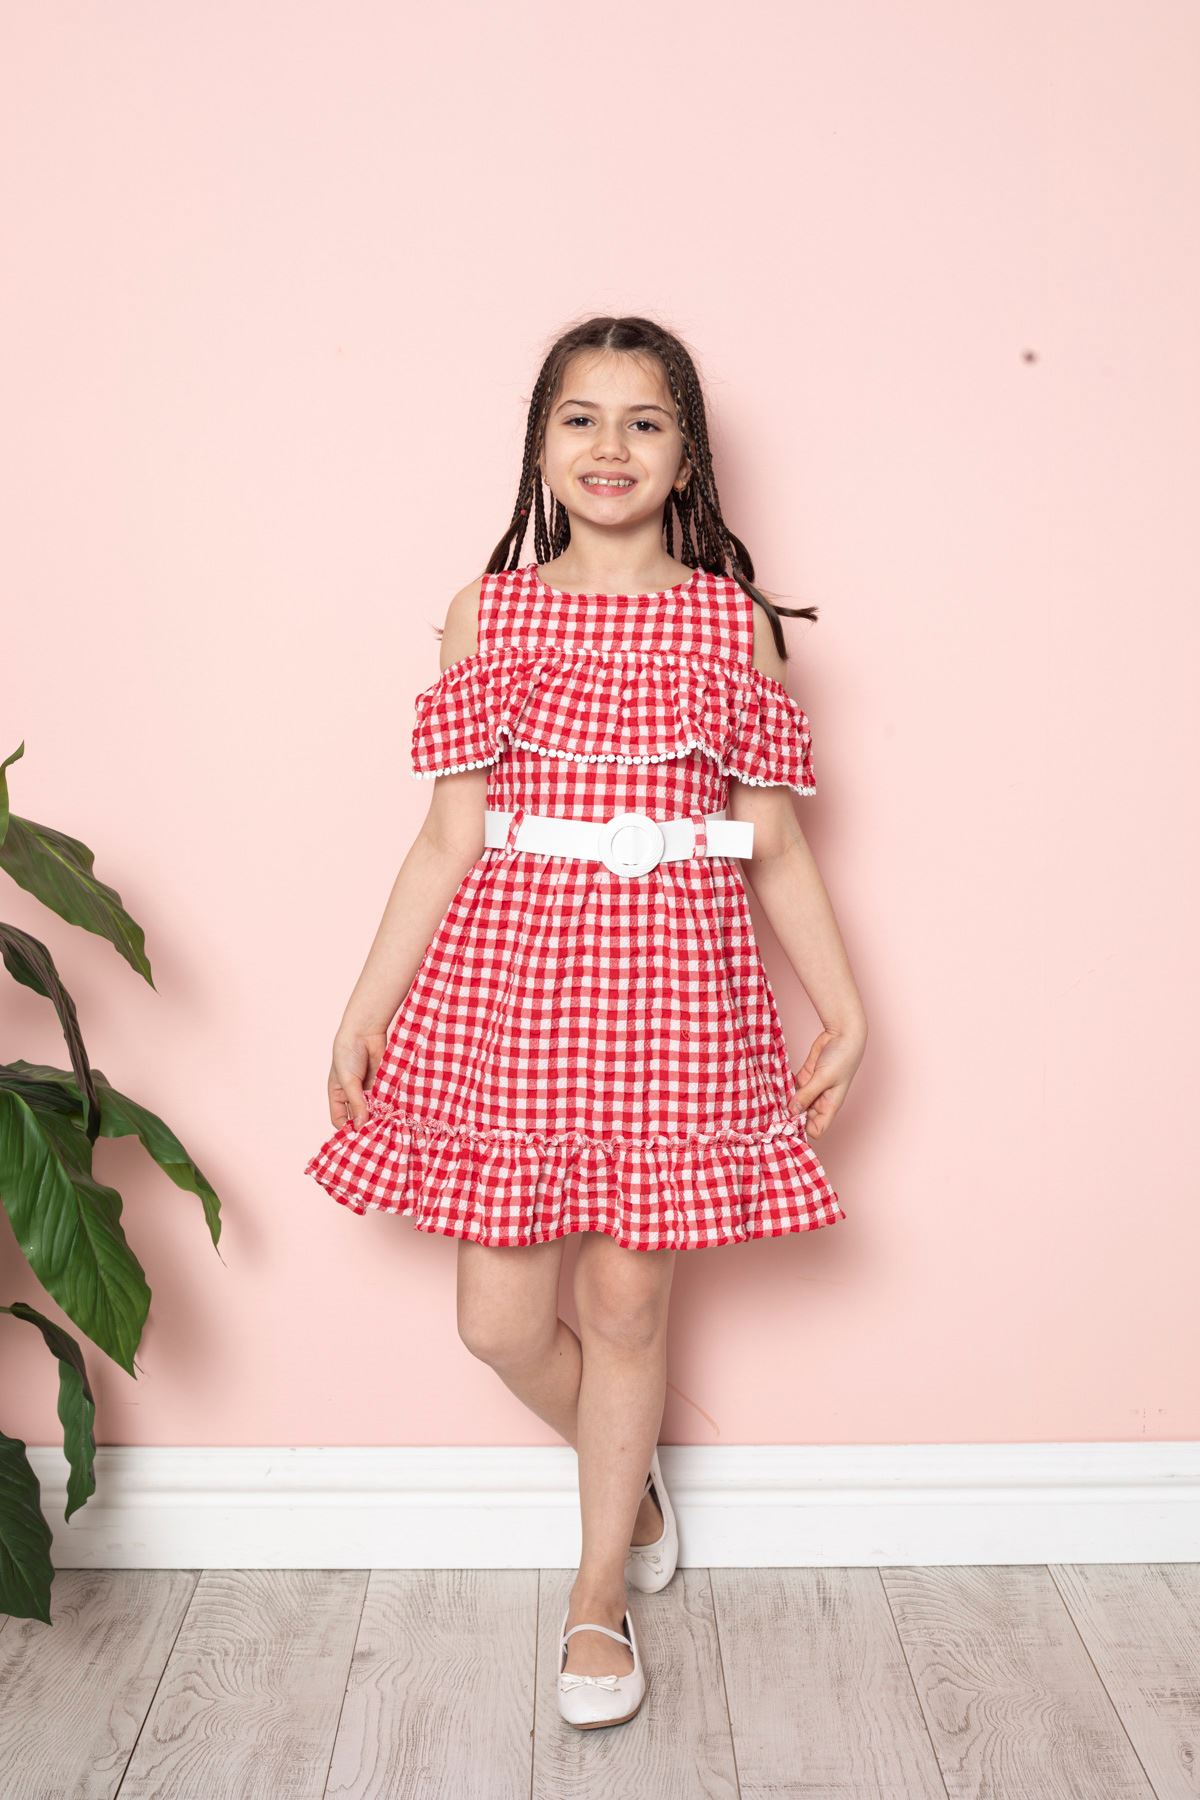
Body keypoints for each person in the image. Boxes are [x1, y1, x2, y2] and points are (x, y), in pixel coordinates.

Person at [303, 313, 868, 1730]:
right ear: (540, 443)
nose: (610, 447)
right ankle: (634, 1479)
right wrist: (363, 1009)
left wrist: (848, 1009)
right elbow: (448, 837)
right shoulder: (488, 613)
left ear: (687, 453)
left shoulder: (729, 622)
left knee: (626, 1304)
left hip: (677, 990)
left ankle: (597, 1591)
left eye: (644, 421)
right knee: (500, 1322)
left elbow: (775, 842)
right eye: (581, 418)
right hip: (513, 992)